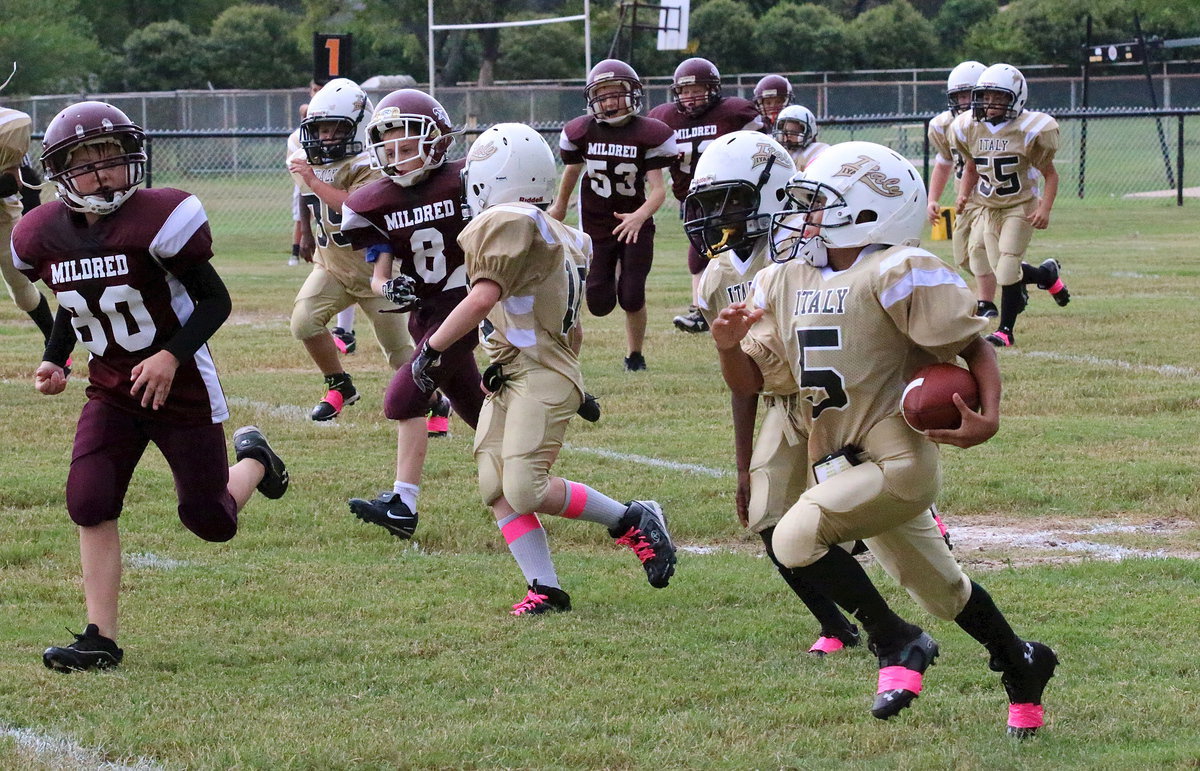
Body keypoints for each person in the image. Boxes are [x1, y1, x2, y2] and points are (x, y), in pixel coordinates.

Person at [711, 140, 1057, 736]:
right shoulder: (786, 278)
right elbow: (751, 379)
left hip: (898, 460)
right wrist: (724, 345)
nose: (804, 215)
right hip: (840, 464)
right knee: (944, 591)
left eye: (819, 204)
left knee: (794, 537)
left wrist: (991, 415)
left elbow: (971, 346)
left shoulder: (897, 270)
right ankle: (1021, 660)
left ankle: (895, 641)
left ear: (866, 212)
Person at [10, 101, 290, 672]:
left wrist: (170, 354)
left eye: (111, 158)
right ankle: (100, 638)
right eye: (87, 164)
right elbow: (73, 300)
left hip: (180, 386)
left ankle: (255, 459)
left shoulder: (159, 218)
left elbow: (215, 300)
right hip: (111, 388)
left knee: (209, 520)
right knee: (89, 500)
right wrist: (55, 358)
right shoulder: (40, 235)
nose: (104, 173)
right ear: (62, 171)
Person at [419, 122, 676, 613]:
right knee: (496, 487)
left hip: (536, 371)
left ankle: (630, 518)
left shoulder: (506, 222)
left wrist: (431, 350)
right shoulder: (556, 231)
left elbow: (483, 297)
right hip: (515, 371)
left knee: (525, 486)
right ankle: (545, 587)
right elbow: (565, 321)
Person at [684, 130, 860, 655]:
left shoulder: (810, 251)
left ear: (772, 191)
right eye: (710, 203)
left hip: (837, 399)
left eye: (730, 200)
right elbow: (741, 381)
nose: (717, 216)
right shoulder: (715, 277)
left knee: (844, 523)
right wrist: (741, 464)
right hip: (781, 404)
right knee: (768, 518)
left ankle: (911, 532)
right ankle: (837, 624)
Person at [340, 89, 484, 538]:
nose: (398, 159)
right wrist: (390, 285)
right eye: (390, 150)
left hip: (465, 308)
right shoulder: (375, 201)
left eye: (408, 147)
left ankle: (404, 503)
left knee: (403, 398)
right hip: (423, 313)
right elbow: (378, 277)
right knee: (476, 408)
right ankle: (526, 473)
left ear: (438, 141)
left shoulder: (467, 180)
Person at [286, 78, 414, 422]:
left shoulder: (372, 164)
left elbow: (355, 207)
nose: (325, 138)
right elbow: (306, 196)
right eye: (320, 130)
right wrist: (306, 235)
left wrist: (314, 180)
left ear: (357, 130)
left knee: (400, 356)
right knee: (304, 323)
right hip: (331, 267)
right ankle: (339, 384)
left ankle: (434, 403)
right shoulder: (305, 157)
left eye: (334, 130)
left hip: (377, 273)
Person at [548, 58, 678, 372]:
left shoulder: (648, 133)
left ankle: (635, 357)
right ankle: (613, 274)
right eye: (602, 95)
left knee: (632, 295)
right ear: (593, 99)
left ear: (632, 94)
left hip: (635, 223)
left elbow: (659, 190)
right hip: (596, 222)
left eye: (615, 93)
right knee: (599, 303)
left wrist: (639, 216)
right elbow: (572, 171)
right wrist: (560, 206)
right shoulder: (583, 131)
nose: (609, 101)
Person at [952, 63, 1070, 348]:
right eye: (986, 96)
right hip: (990, 208)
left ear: (1015, 98)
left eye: (999, 98)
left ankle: (1005, 331)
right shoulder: (970, 127)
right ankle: (1045, 275)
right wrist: (963, 194)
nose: (990, 104)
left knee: (1006, 269)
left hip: (1020, 206)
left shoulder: (1028, 130)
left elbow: (1050, 174)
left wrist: (1045, 208)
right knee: (1002, 267)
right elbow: (971, 166)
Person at [647, 57, 763, 334]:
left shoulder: (733, 112)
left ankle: (748, 301)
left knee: (741, 249)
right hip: (693, 199)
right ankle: (702, 308)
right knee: (700, 252)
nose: (690, 96)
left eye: (696, 89)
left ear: (713, 88)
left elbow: (759, 146)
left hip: (730, 197)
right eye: (684, 90)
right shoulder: (664, 118)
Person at [927, 61, 997, 318]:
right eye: (959, 95)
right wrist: (932, 199)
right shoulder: (943, 125)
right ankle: (1029, 276)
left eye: (969, 94)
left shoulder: (994, 124)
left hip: (993, 196)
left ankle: (986, 304)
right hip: (964, 198)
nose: (964, 101)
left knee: (980, 250)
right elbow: (944, 162)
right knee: (964, 258)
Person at [0, 104, 56, 346]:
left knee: (21, 289)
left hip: (3, 217)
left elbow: (13, 184)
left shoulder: (9, 126)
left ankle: (54, 342)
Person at [772, 105, 828, 172]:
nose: (788, 135)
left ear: (810, 133)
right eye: (786, 131)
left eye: (794, 131)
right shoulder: (775, 149)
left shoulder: (815, 151)